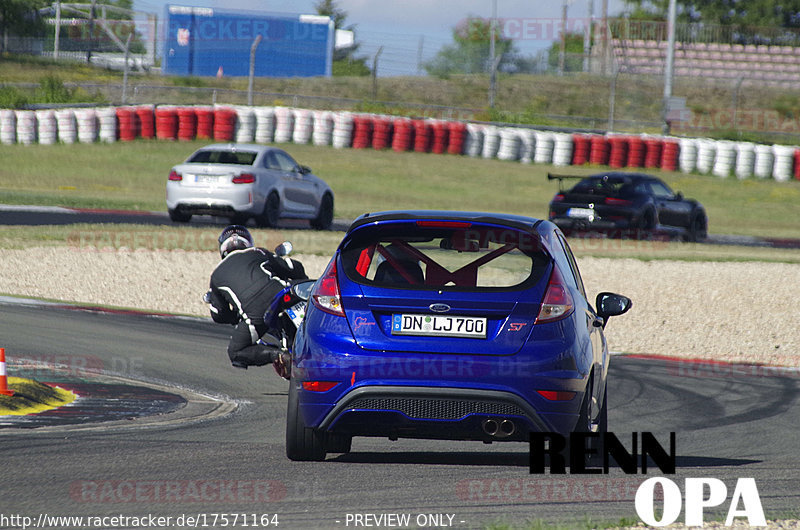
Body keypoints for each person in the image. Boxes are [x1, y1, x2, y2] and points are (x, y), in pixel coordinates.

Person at [205, 225, 307, 371]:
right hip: (280, 291)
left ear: (222, 248)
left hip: (255, 313)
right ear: (247, 241)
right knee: (314, 292)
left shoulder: (216, 275)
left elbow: (219, 315)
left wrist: (236, 317)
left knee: (236, 351)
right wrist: (301, 280)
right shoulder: (257, 252)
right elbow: (292, 267)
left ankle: (278, 355)